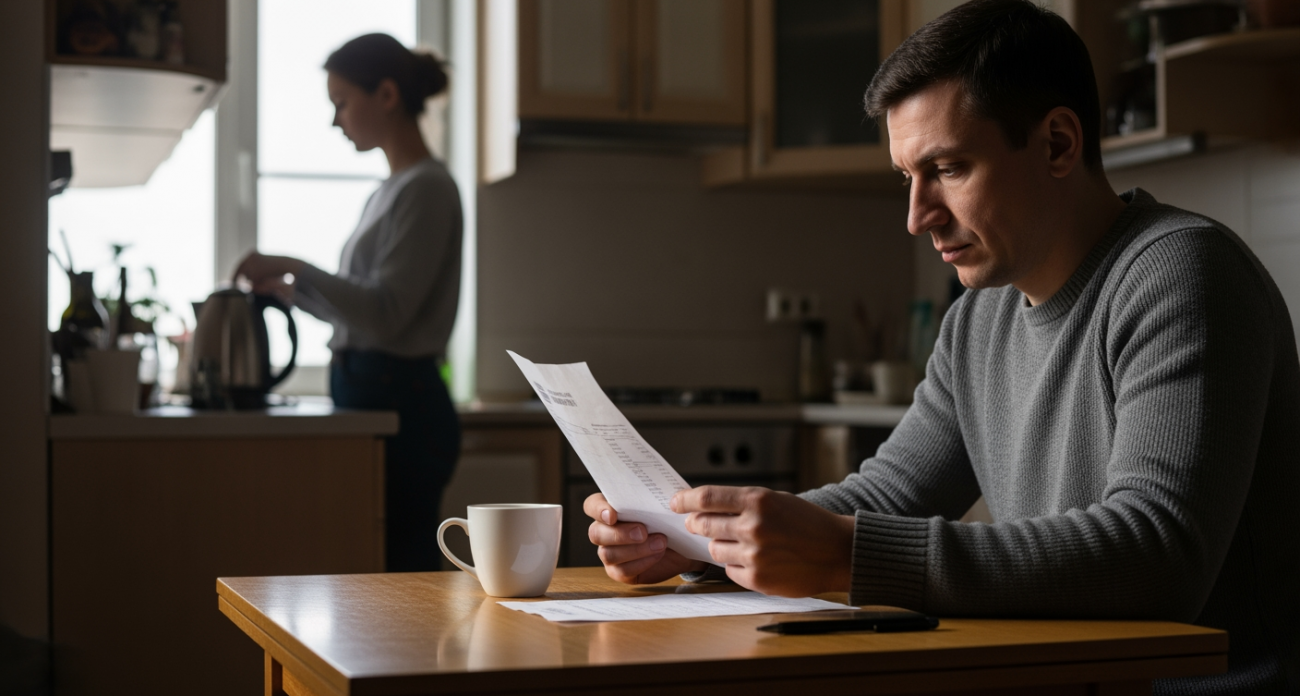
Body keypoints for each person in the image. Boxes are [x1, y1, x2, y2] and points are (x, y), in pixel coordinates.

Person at [582, 1, 1300, 693]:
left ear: (1057, 143)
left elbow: (1157, 555)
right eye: (907, 178)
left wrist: (843, 552)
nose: (916, 215)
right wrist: (701, 545)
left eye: (948, 169)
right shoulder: (977, 319)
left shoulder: (1182, 273)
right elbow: (888, 496)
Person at [235, 33, 463, 573]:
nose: (336, 120)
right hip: (378, 391)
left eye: (341, 102)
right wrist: (294, 292)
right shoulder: (391, 189)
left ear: (386, 94)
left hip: (402, 400)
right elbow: (366, 311)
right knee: (380, 577)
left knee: (399, 580)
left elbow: (386, 314)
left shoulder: (428, 188)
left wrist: (295, 264)